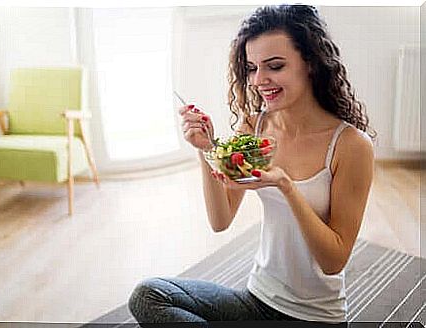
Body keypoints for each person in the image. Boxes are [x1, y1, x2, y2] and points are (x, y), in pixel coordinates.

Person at [128, 4, 375, 326]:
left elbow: (334, 261)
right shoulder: (254, 127)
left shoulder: (351, 145)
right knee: (148, 295)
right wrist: (207, 150)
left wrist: (285, 186)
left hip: (314, 318)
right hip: (256, 298)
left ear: (311, 63)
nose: (259, 80)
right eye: (251, 68)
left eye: (274, 66)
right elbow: (220, 219)